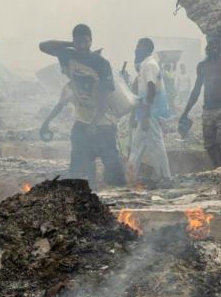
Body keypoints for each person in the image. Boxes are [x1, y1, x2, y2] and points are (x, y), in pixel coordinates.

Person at [39, 23, 125, 187]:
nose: (82, 45)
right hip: (81, 122)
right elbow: (44, 46)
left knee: (113, 169)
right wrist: (71, 44)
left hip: (103, 123)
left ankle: (121, 200)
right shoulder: (68, 55)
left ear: (91, 41)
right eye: (78, 41)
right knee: (79, 169)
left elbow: (105, 97)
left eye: (85, 41)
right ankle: (89, 197)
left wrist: (94, 124)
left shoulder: (100, 63)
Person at [179, 0, 221, 168]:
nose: (210, 47)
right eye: (209, 44)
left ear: (219, 47)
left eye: (214, 44)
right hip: (207, 110)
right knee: (210, 147)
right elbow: (195, 91)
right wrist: (185, 112)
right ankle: (219, 169)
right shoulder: (202, 66)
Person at [127, 38, 171, 183]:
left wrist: (145, 112)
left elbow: (152, 88)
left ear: (146, 48)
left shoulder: (149, 65)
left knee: (156, 142)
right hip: (145, 111)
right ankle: (131, 177)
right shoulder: (145, 65)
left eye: (138, 47)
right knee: (137, 144)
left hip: (150, 111)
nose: (135, 49)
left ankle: (165, 176)